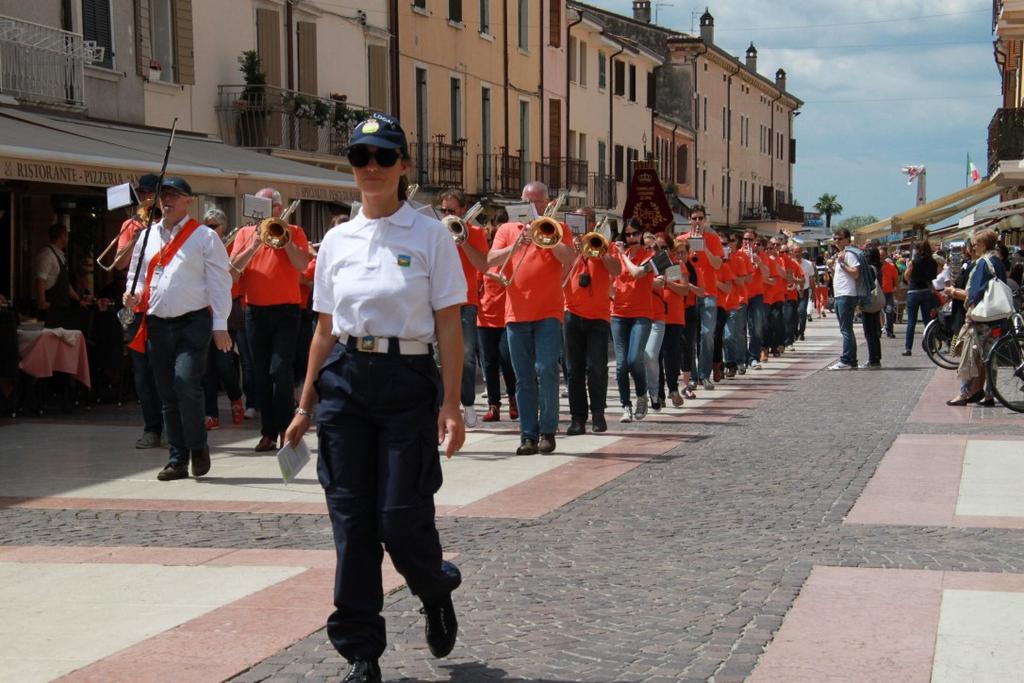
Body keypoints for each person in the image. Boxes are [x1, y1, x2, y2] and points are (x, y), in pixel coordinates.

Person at [284, 114, 465, 683]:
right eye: (361, 157)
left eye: (384, 157)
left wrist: (453, 405)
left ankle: (433, 586)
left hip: (408, 378)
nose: (371, 168)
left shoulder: (431, 234)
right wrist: (304, 404)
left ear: (404, 167)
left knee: (400, 514)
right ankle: (361, 651)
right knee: (352, 520)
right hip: (345, 377)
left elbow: (450, 326)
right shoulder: (337, 239)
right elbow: (322, 329)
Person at [123, 177, 233, 480]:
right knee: (167, 392)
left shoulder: (203, 237)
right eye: (164, 196)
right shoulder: (147, 236)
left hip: (192, 322)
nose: (167, 201)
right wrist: (131, 295)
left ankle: (197, 446)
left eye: (174, 195)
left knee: (185, 383)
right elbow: (136, 274)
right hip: (157, 323)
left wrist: (220, 324)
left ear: (188, 201)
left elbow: (221, 282)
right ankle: (177, 458)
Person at [487, 181, 575, 454]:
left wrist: (549, 237)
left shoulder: (558, 228)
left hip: (548, 311)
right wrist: (516, 245)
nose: (532, 206)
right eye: (527, 201)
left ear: (547, 203)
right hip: (516, 313)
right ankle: (528, 435)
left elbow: (569, 258)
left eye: (537, 201)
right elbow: (491, 260)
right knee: (523, 377)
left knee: (546, 369)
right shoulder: (506, 229)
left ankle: (548, 430)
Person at [229, 187, 311, 451]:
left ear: (279, 208)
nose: (264, 210)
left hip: (287, 311)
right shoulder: (244, 233)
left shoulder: (294, 231)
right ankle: (268, 432)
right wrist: (254, 243)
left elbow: (302, 266)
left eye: (269, 205)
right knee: (261, 375)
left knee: (280, 370)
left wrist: (285, 241)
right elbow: (232, 272)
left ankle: (286, 430)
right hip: (255, 312)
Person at [115, 174, 165, 448]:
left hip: (164, 306)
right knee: (142, 372)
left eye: (153, 193)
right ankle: (152, 428)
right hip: (137, 308)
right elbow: (120, 265)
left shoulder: (170, 226)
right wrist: (134, 239)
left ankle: (172, 426)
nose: (149, 198)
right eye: (145, 193)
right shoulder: (130, 225)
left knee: (165, 370)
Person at [562, 207, 621, 434]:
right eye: (576, 220)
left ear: (592, 224)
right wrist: (573, 253)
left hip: (598, 316)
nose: (580, 225)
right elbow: (559, 277)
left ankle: (598, 414)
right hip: (572, 313)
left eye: (584, 220)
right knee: (573, 369)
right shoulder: (568, 247)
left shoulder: (605, 245)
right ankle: (578, 417)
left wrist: (601, 251)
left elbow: (617, 269)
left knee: (597, 367)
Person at [438, 189, 489, 428]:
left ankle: (468, 403)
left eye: (451, 210)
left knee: (467, 357)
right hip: (439, 301)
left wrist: (463, 240)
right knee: (439, 358)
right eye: (443, 210)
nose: (447, 214)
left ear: (462, 210)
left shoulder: (475, 232)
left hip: (466, 301)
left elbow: (482, 264)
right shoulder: (436, 232)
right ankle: (443, 405)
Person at [943, 229, 1006, 406]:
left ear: (983, 245)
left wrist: (966, 302)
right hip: (996, 315)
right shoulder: (997, 262)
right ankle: (989, 394)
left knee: (969, 354)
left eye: (976, 244)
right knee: (990, 357)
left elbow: (975, 291)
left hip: (981, 317)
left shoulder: (983, 263)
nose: (974, 247)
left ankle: (963, 394)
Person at [199, 209, 244, 429]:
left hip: (225, 313)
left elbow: (232, 278)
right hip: (202, 313)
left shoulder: (230, 246)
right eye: (207, 225)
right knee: (206, 367)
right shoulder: (202, 246)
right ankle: (211, 413)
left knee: (224, 364)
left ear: (223, 227)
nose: (210, 229)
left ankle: (236, 398)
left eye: (214, 225)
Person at [612, 218, 654, 422]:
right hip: (618, 313)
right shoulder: (619, 254)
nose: (631, 238)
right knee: (620, 365)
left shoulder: (651, 255)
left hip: (641, 314)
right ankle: (625, 405)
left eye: (635, 234)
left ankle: (641, 395)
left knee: (633, 359)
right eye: (628, 234)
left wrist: (622, 255)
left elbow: (637, 273)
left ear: (641, 234)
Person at [477, 223, 518, 422]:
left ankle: (513, 399)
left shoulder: (509, 259)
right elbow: (476, 286)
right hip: (484, 319)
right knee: (489, 363)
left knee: (507, 360)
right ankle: (494, 405)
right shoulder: (485, 261)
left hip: (506, 317)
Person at [681, 206, 723, 389]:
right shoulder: (681, 240)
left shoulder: (713, 239)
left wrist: (704, 247)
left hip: (708, 293)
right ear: (689, 220)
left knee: (707, 334)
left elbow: (718, 264)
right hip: (689, 293)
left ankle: (705, 374)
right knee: (689, 338)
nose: (697, 222)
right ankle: (693, 375)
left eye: (700, 218)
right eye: (694, 218)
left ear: (705, 220)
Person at [35, 223, 87, 330]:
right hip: (51, 309)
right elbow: (40, 279)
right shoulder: (47, 255)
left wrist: (78, 300)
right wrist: (42, 301)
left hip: (62, 308)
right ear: (62, 236)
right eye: (67, 235)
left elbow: (65, 284)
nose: (68, 238)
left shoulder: (60, 255)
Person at [829, 228, 861, 370]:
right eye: (835, 238)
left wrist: (842, 264)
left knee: (846, 329)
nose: (837, 241)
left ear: (848, 239)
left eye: (840, 238)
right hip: (841, 295)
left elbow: (855, 273)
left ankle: (846, 359)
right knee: (846, 329)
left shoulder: (849, 254)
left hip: (846, 295)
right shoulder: (841, 254)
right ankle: (852, 360)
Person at [901, 238, 937, 356]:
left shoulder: (913, 262)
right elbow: (934, 276)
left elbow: (906, 276)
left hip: (914, 292)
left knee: (911, 321)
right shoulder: (933, 262)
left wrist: (912, 281)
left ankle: (908, 348)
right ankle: (930, 346)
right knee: (928, 320)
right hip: (927, 291)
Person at [861, 245, 883, 368]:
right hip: (876, 302)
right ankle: (876, 357)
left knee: (869, 331)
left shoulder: (869, 268)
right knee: (875, 331)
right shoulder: (878, 267)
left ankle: (873, 359)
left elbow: (867, 285)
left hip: (869, 301)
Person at [879, 246, 899, 338]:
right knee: (877, 313)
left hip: (888, 294)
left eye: (883, 255)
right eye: (880, 255)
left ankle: (890, 331)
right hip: (878, 294)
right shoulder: (875, 266)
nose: (881, 257)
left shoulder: (891, 267)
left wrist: (896, 288)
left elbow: (896, 280)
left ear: (886, 255)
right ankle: (878, 330)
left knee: (889, 312)